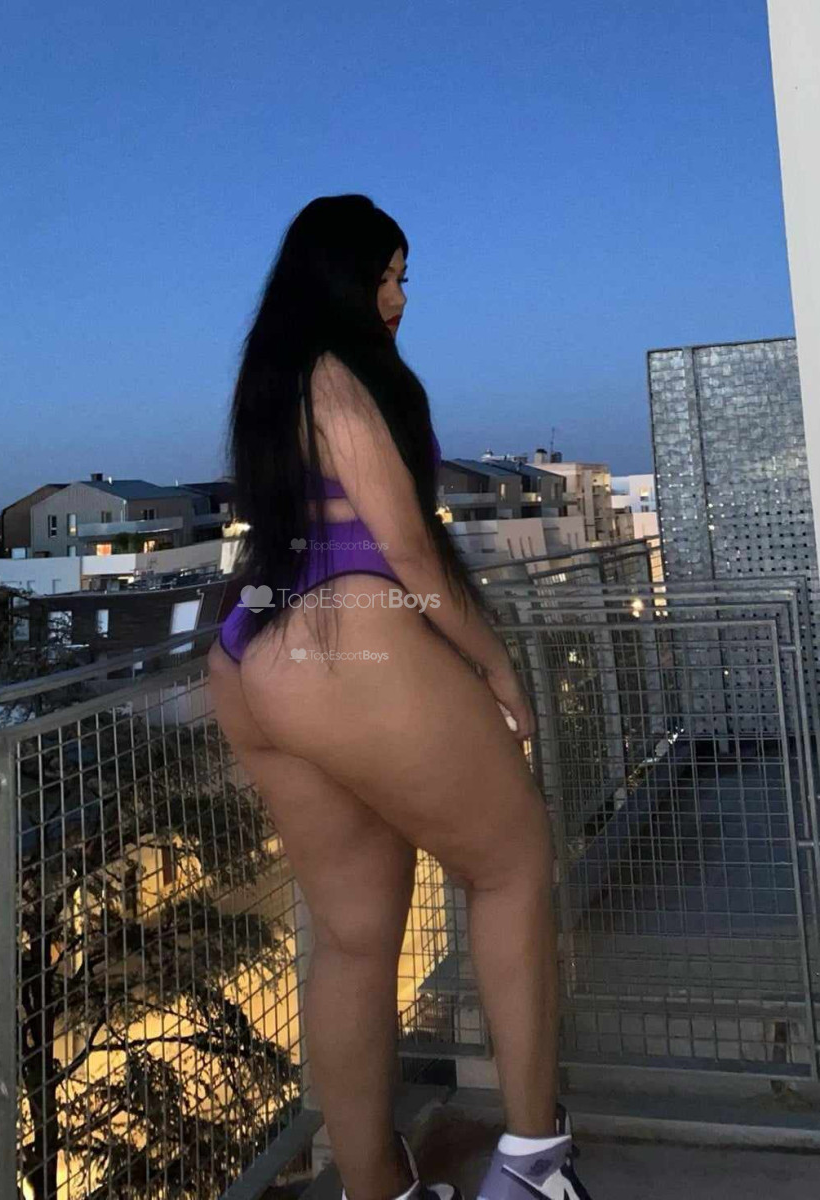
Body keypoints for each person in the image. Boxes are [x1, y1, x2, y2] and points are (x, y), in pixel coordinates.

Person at [207, 195, 592, 1200]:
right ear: (338, 279)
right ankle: (533, 1165)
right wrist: (496, 665)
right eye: (384, 275)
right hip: (348, 641)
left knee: (352, 938)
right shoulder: (337, 378)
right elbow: (410, 550)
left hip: (253, 649)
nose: (398, 297)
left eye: (403, 277)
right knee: (511, 867)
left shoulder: (273, 377)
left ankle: (376, 1186)